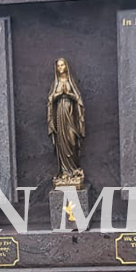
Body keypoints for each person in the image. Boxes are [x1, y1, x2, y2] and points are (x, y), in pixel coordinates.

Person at [47, 57, 86, 187]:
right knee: (61, 143)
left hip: (70, 115)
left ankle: (74, 169)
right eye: (58, 66)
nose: (60, 68)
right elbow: (50, 100)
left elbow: (78, 99)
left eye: (62, 65)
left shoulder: (70, 81)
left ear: (66, 66)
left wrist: (68, 94)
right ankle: (64, 172)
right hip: (60, 114)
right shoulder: (56, 82)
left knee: (72, 141)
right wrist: (58, 95)